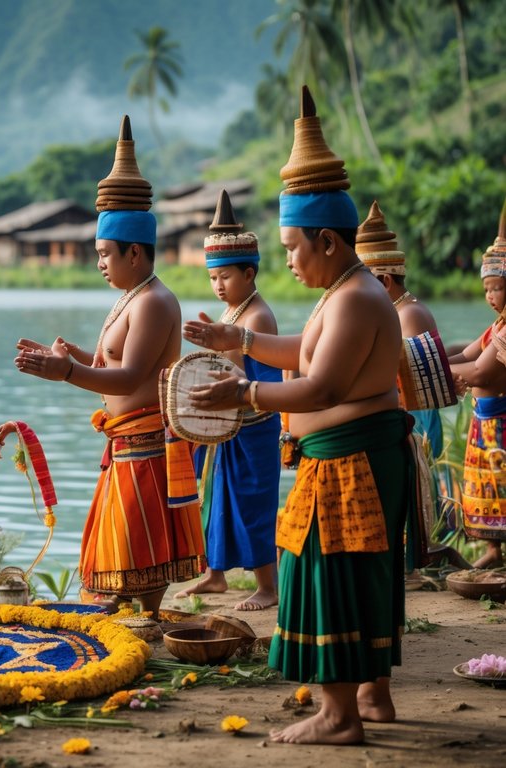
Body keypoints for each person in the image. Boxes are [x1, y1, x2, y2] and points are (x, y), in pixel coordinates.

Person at [184, 86, 410, 745]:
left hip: (351, 458)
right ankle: (369, 697)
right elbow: (304, 353)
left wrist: (245, 396)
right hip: (353, 455)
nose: (287, 259)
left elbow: (320, 387)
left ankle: (339, 716)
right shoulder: (344, 292)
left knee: (327, 570)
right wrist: (242, 344)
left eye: (292, 247)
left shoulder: (353, 298)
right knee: (362, 571)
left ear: (328, 242)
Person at [6, 116, 203, 618]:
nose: (98, 263)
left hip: (144, 436)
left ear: (134, 252)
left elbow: (131, 377)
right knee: (122, 536)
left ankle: (151, 615)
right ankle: (132, 611)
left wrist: (65, 372)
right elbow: (107, 363)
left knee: (141, 536)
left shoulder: (154, 302)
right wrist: (69, 356)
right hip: (123, 437)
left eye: (104, 254)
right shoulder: (129, 297)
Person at [175, 190, 281, 611]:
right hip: (229, 425)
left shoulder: (256, 316)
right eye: (213, 278)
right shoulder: (228, 315)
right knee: (217, 499)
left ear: (250, 274)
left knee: (253, 502)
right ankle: (215, 576)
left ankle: (267, 587)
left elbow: (241, 375)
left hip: (255, 423)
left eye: (226, 277)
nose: (218, 286)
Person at [356, 200, 458, 571]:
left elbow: (411, 382)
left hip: (414, 422)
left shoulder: (408, 314)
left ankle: (424, 553)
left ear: (384, 280)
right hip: (405, 417)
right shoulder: (399, 309)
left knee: (417, 489)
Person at [448, 200, 506, 569]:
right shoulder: (496, 325)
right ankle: (493, 551)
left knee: (501, 486)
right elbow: (465, 351)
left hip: (500, 423)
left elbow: (481, 372)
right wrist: (428, 359)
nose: (490, 296)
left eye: (496, 288)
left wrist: (441, 373)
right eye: (486, 288)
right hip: (483, 422)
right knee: (485, 486)